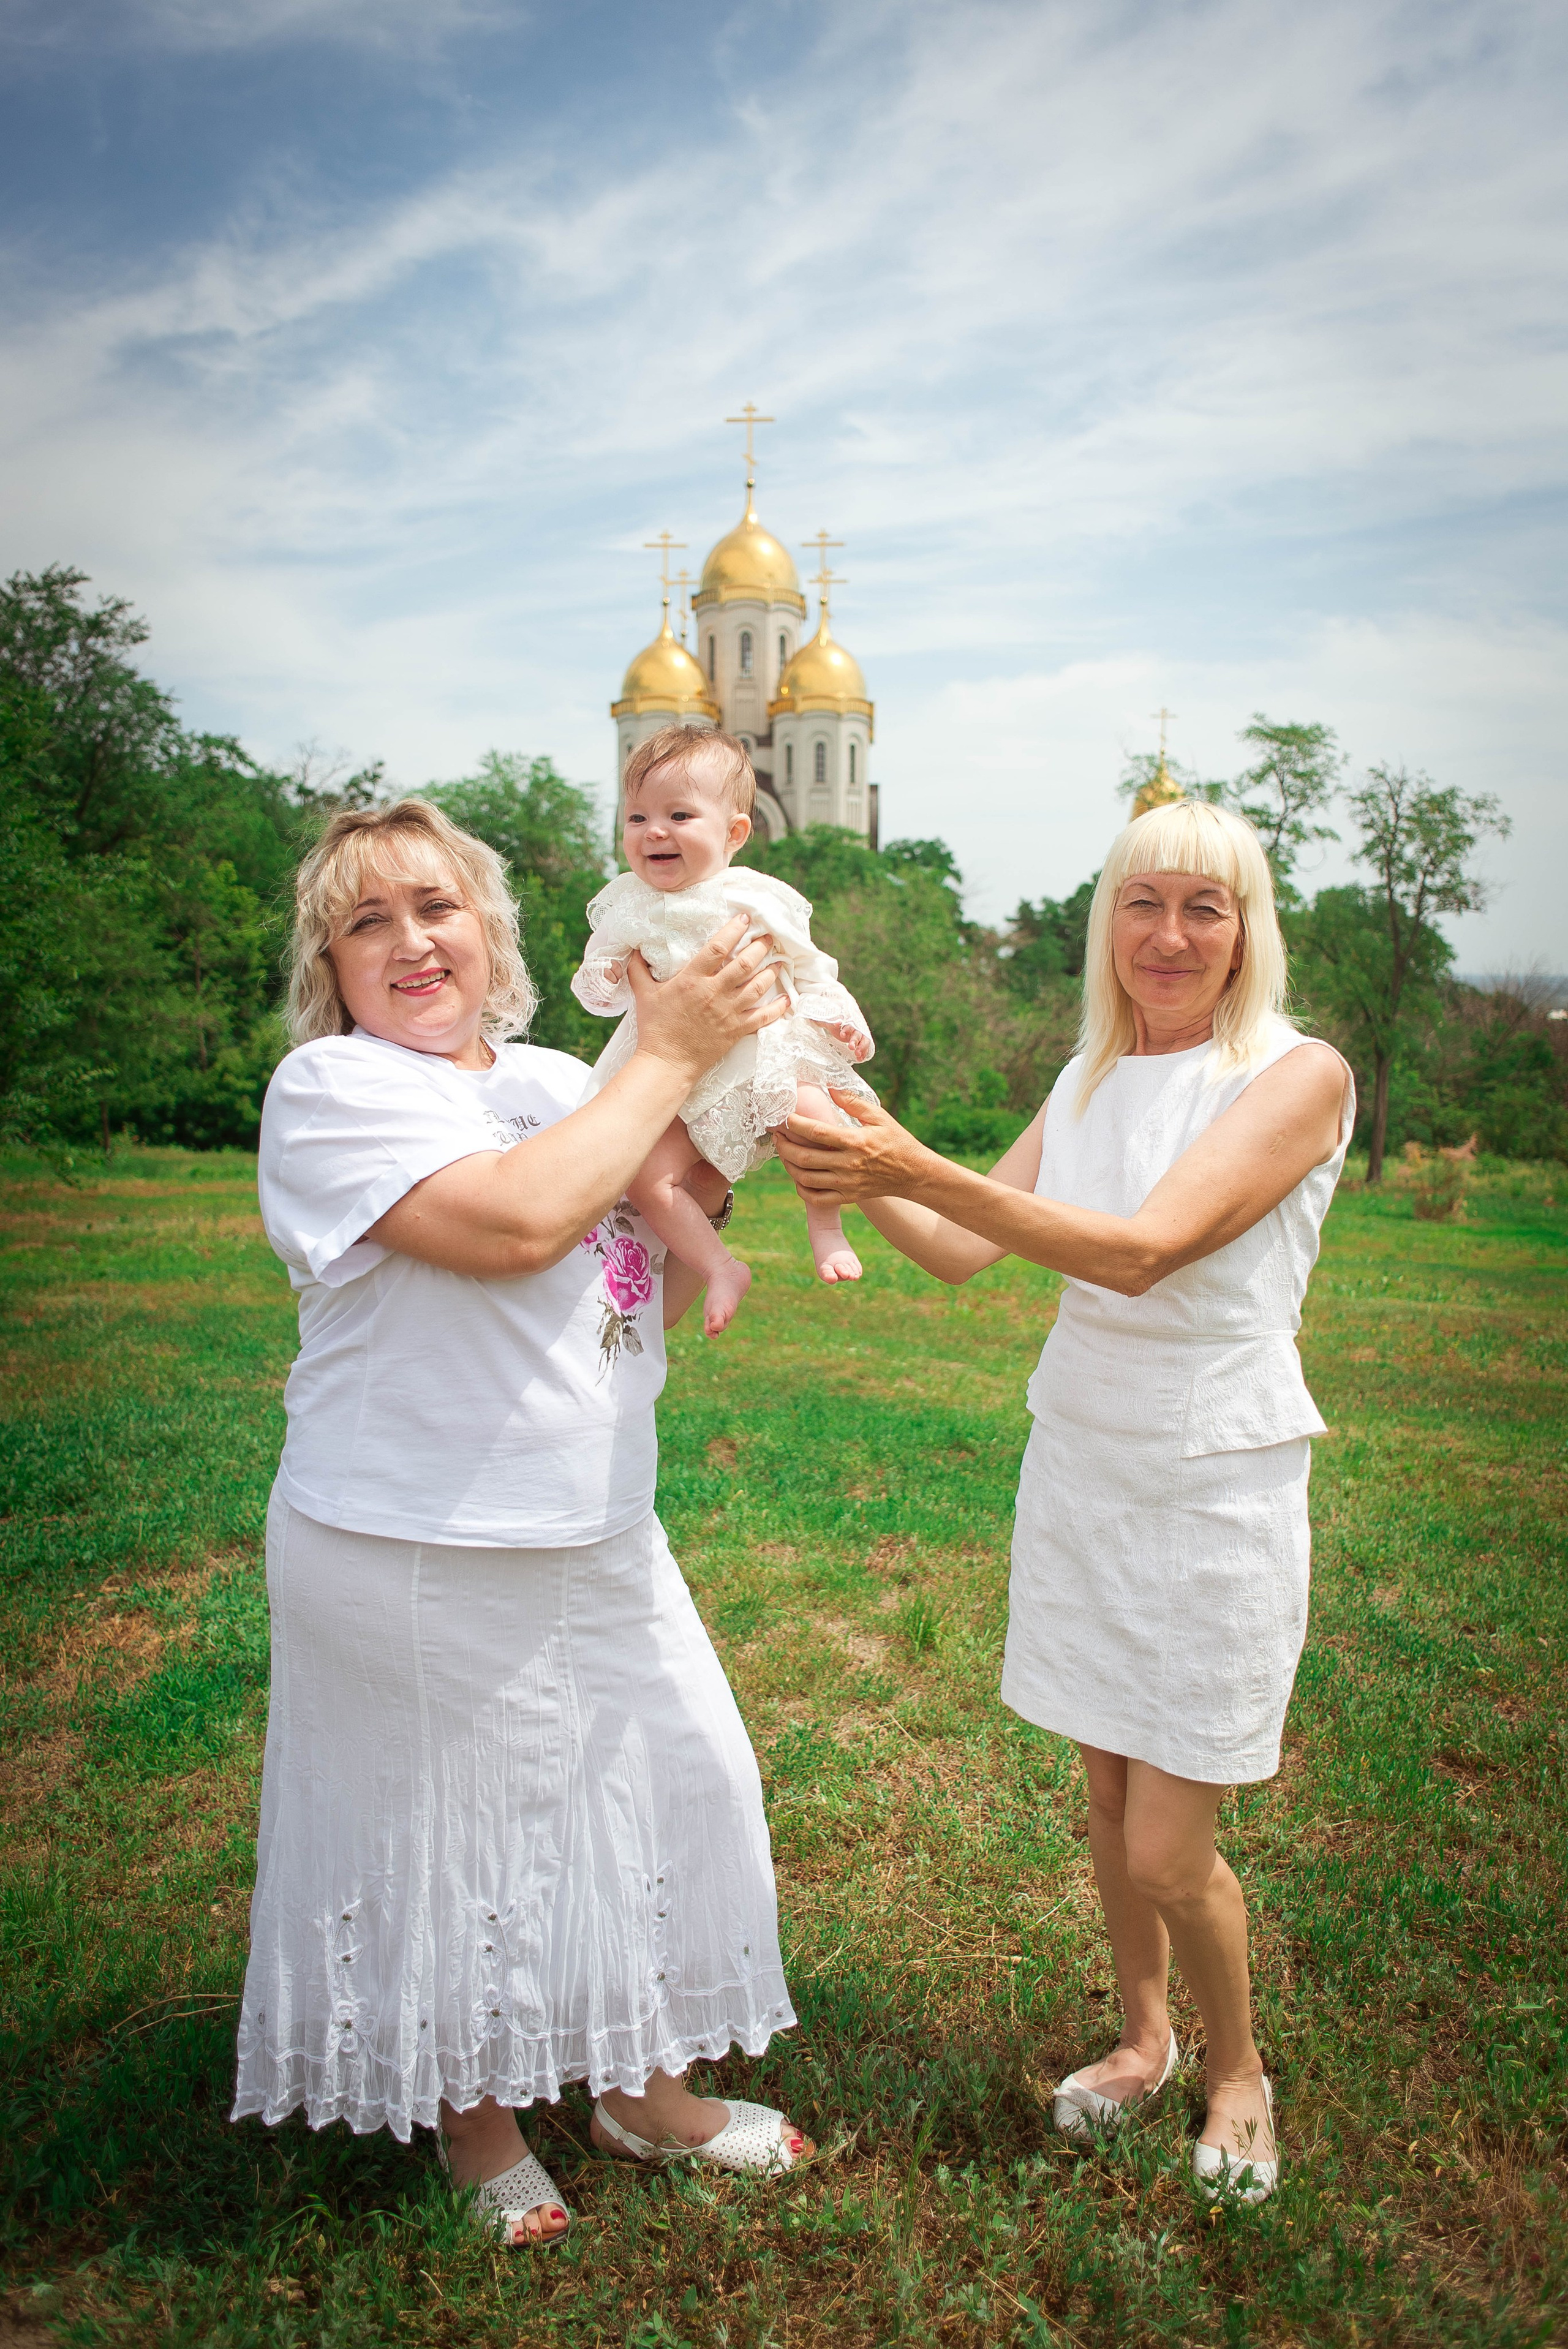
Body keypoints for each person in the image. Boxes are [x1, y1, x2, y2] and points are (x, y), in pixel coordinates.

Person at [232, 797, 814, 2248]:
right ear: (333, 964)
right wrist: (672, 1050)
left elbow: (641, 1273)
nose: (411, 940)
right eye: (366, 919)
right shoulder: (332, 1088)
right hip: (408, 1538)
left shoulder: (563, 1072)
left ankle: (641, 2086)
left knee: (669, 1788)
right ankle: (477, 2126)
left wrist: (720, 1136)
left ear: (494, 930)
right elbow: (511, 1226)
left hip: (598, 1521)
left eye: (436, 906)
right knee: (447, 1838)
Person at [775, 798, 1354, 2204]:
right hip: (1083, 1458)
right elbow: (958, 1246)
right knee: (1104, 1798)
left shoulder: (1292, 1074)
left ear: (1245, 928)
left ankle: (1236, 2068)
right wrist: (836, 1131)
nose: (1166, 934)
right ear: (1107, 921)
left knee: (1169, 1836)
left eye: (1201, 908)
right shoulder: (1088, 1072)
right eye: (1140, 902)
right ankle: (1144, 2036)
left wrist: (908, 1161)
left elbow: (1143, 1250)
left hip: (1210, 1474)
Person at [572, 725, 875, 1335]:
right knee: (647, 1176)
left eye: (678, 814)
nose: (654, 830)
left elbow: (808, 965)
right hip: (676, 1082)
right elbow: (598, 986)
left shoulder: (753, 896)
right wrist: (607, 969)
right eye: (636, 817)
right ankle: (718, 1265)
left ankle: (826, 1227)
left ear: (734, 832)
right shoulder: (627, 902)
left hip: (763, 1059)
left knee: (817, 1124)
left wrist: (841, 1017)